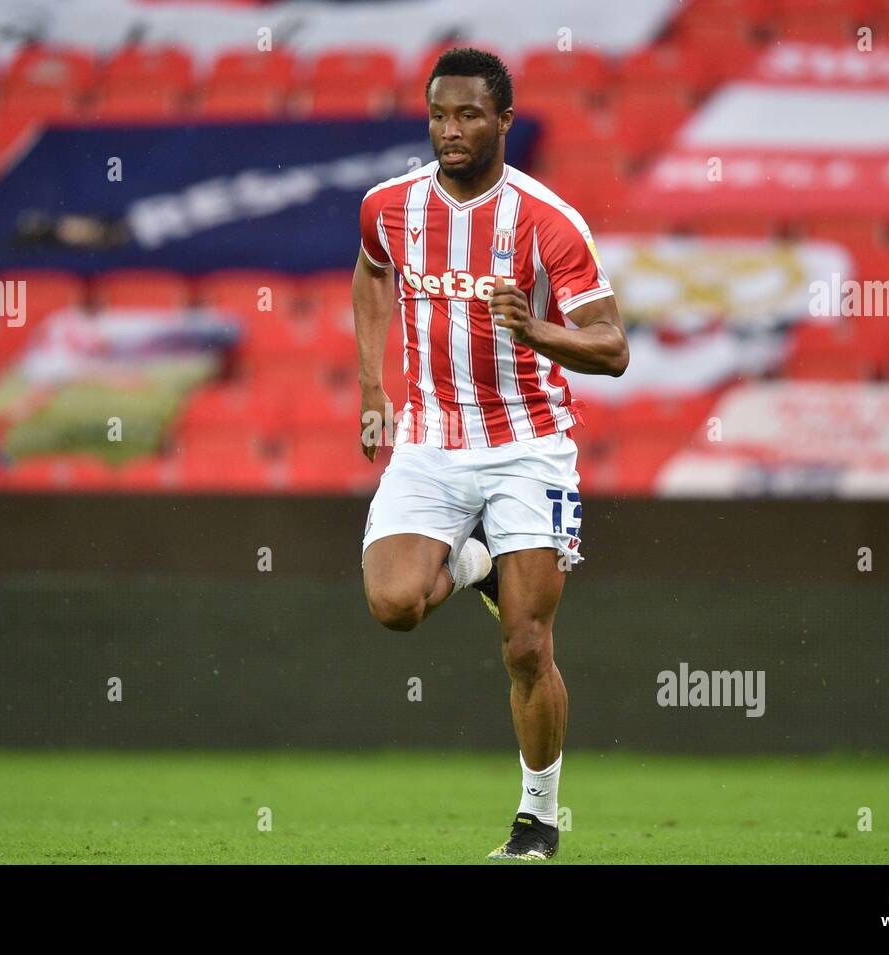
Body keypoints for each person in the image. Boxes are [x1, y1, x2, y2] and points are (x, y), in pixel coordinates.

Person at [353, 47, 628, 860]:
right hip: (432, 441)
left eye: (469, 115)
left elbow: (612, 347)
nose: (451, 130)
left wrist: (536, 327)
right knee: (394, 604)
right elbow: (372, 275)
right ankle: (474, 561)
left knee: (527, 646)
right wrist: (373, 388)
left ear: (504, 120)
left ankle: (537, 819)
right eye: (439, 115)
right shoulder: (388, 207)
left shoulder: (548, 221)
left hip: (529, 447)